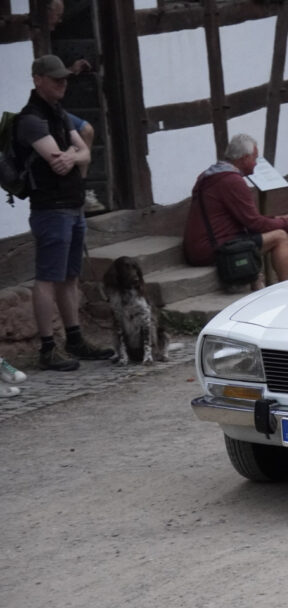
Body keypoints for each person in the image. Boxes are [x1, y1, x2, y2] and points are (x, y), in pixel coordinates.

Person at [14, 55, 115, 371]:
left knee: (70, 277)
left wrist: (73, 157)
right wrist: (75, 156)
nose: (62, 83)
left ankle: (75, 339)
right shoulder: (31, 118)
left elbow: (83, 149)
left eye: (65, 78)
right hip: (51, 209)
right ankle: (47, 348)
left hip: (72, 207)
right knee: (48, 279)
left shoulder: (57, 114)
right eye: (56, 79)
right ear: (38, 80)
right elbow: (55, 157)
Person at [183, 134, 288, 287]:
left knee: (260, 237)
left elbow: (245, 218)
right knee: (280, 237)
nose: (256, 164)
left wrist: (279, 218)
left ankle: (258, 287)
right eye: (254, 158)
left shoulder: (209, 175)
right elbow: (254, 223)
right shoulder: (232, 181)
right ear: (244, 158)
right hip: (211, 250)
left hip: (199, 247)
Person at [46, 0, 105, 214]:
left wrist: (70, 71)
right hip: (42, 110)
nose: (60, 20)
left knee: (86, 130)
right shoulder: (34, 37)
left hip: (54, 107)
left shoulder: (46, 38)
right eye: (58, 15)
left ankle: (80, 188)